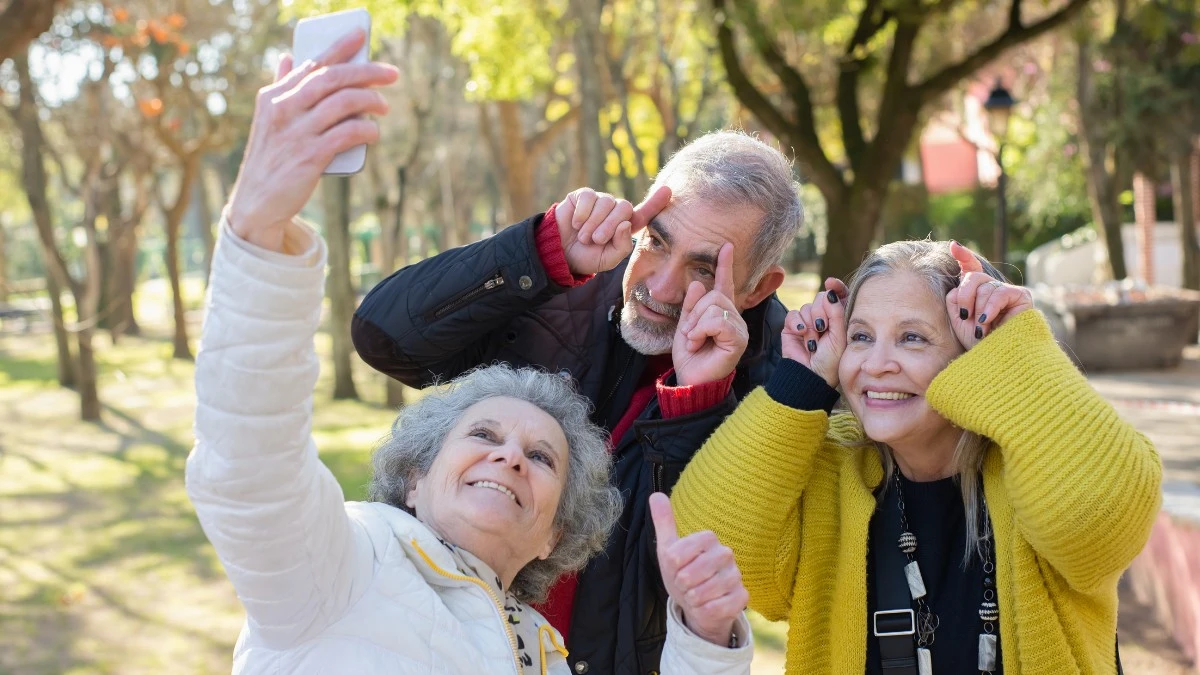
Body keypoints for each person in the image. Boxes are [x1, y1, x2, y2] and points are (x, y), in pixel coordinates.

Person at [187, 29, 755, 674]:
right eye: (483, 433)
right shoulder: (341, 568)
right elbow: (246, 468)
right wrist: (259, 232)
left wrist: (707, 642)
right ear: (413, 477)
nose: (510, 456)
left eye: (542, 458)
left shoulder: (540, 653)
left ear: (555, 537)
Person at [352, 97, 800, 675]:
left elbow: (672, 570)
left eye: (703, 268)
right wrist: (540, 251)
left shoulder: (782, 389)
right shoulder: (560, 282)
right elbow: (384, 338)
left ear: (758, 289)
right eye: (657, 241)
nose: (660, 286)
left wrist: (695, 404)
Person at [670, 239, 1163, 674]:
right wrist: (799, 385)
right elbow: (709, 542)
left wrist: (1018, 352)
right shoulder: (829, 466)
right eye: (860, 336)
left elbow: (1100, 522)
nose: (876, 365)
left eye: (912, 337)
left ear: (974, 352)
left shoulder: (1039, 460)